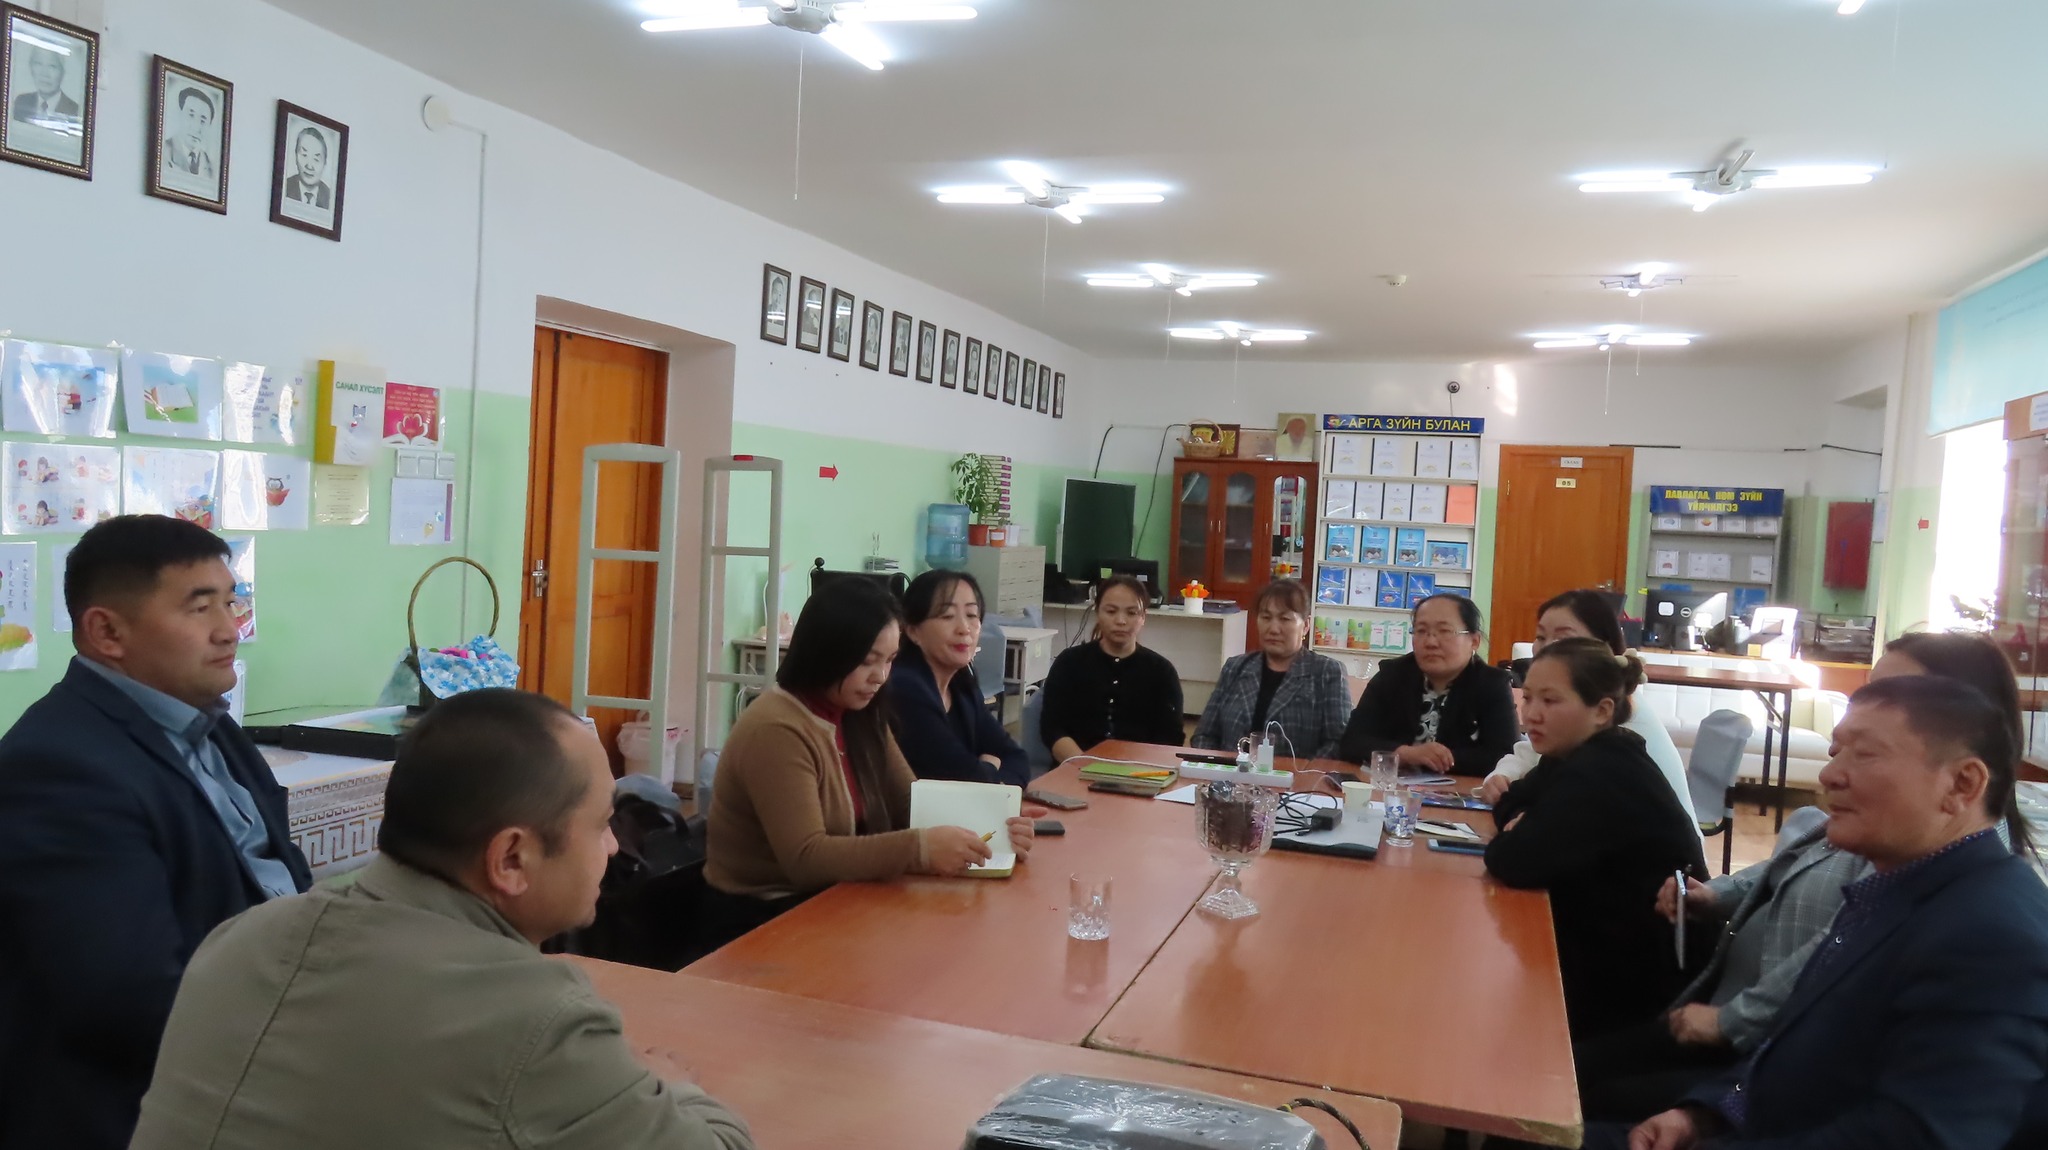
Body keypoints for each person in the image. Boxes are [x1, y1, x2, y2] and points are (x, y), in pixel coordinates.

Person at [127, 689, 754, 1149]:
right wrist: (670, 1084)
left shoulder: (242, 938)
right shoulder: (533, 1020)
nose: (615, 848)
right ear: (511, 859)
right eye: (601, 825)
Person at [1577, 627, 2038, 1126]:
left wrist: (1725, 1052)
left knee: (1582, 1086)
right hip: (1739, 1047)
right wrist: (1708, 1112)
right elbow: (1791, 870)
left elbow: (1900, 1122)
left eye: (1869, 747)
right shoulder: (1893, 857)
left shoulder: (1971, 912)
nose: (1829, 773)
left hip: (1744, 1045)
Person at [0, 515, 311, 1150]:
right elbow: (127, 1000)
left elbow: (277, 881)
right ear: (107, 632)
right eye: (200, 608)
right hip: (149, 1110)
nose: (230, 629)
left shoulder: (211, 725)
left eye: (231, 601)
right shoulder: (60, 766)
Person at [706, 580, 1034, 944]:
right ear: (826, 654)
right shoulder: (776, 728)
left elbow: (912, 801)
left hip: (837, 899)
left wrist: (994, 829)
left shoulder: (860, 711)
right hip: (762, 919)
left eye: (890, 660)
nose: (880, 677)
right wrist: (921, 849)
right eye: (867, 662)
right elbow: (805, 858)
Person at [1485, 639, 1706, 1039]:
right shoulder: (1571, 754)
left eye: (1550, 701)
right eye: (1528, 697)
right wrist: (1524, 820)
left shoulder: (1605, 769)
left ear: (1602, 711)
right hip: (1601, 950)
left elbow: (1510, 860)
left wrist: (1523, 828)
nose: (1531, 713)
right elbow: (1508, 801)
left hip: (1641, 996)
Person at [1481, 590, 1696, 830]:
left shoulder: (1615, 717)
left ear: (1603, 646)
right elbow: (1530, 756)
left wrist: (1519, 808)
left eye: (1562, 639)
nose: (1545, 648)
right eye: (1540, 636)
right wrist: (1501, 777)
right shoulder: (1577, 708)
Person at [1337, 594, 1519, 776]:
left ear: (1474, 641)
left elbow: (1505, 756)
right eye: (1421, 631)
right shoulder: (1392, 675)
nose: (1431, 642)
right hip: (1390, 788)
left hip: (1461, 789)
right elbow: (1352, 741)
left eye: (1444, 631)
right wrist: (1405, 754)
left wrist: (1438, 760)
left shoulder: (1492, 684)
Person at [888, 569, 1030, 787]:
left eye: (972, 615)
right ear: (913, 631)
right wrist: (991, 770)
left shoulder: (962, 684)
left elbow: (1017, 759)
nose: (964, 629)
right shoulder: (904, 688)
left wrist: (991, 781)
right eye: (947, 616)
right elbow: (964, 780)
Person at [1191, 578, 1350, 759]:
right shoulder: (1235, 668)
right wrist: (1216, 768)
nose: (1273, 629)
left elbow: (1337, 743)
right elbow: (1204, 735)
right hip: (1229, 773)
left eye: (1285, 619)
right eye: (1266, 618)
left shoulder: (1328, 672)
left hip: (1295, 776)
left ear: (1305, 626)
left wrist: (1301, 773)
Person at [1038, 575, 1184, 763]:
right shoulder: (1069, 662)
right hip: (1074, 768)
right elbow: (1052, 728)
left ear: (1143, 617)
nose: (1121, 621)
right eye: (1111, 611)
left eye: (1131, 613)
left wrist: (1134, 771)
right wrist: (1083, 765)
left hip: (1140, 771)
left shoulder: (1162, 672)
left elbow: (1171, 737)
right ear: (1097, 612)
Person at [11, 46, 78, 126]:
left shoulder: (74, 111)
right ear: (31, 68)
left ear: (62, 72)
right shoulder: (21, 102)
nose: (44, 74)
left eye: (52, 66)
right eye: (38, 64)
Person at [160, 87, 216, 180]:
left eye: (203, 121)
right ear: (180, 114)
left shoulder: (212, 167)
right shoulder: (162, 152)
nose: (196, 127)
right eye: (191, 115)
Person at [282, 126, 332, 210]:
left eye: (316, 159)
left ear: (325, 163)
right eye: (304, 155)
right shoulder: (284, 188)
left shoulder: (330, 198)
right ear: (295, 155)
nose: (309, 166)